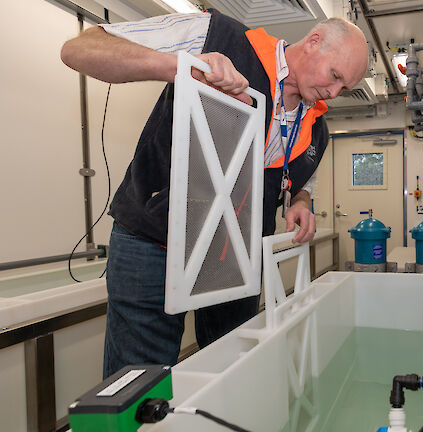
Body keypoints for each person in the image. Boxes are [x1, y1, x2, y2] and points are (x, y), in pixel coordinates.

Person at [60, 9, 369, 378]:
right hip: (154, 244)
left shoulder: (316, 129)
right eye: (335, 76)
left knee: (232, 373)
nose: (334, 93)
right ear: (315, 41)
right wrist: (180, 68)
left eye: (344, 88)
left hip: (234, 260)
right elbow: (81, 48)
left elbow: (301, 181)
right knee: (138, 384)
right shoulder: (217, 36)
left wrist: (301, 201)